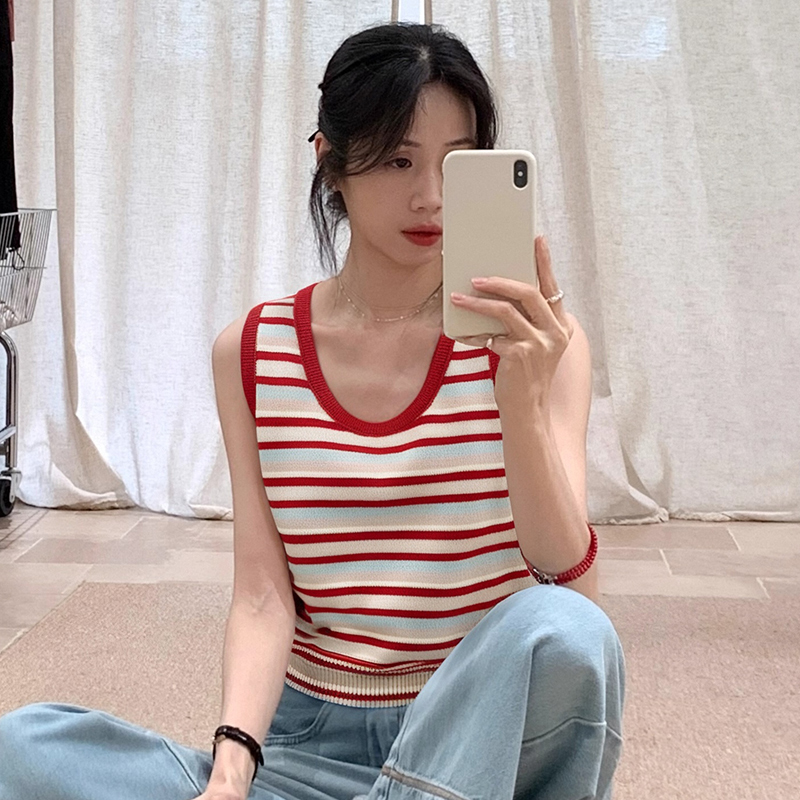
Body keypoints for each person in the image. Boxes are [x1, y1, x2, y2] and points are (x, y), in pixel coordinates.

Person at [0, 21, 625, 800]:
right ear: (330, 161)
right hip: (308, 749)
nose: (430, 196)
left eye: (456, 164)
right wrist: (231, 775)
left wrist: (521, 404)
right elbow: (264, 596)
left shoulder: (540, 346)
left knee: (567, 630)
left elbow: (568, 591)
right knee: (24, 748)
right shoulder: (254, 352)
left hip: (474, 741)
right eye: (398, 159)